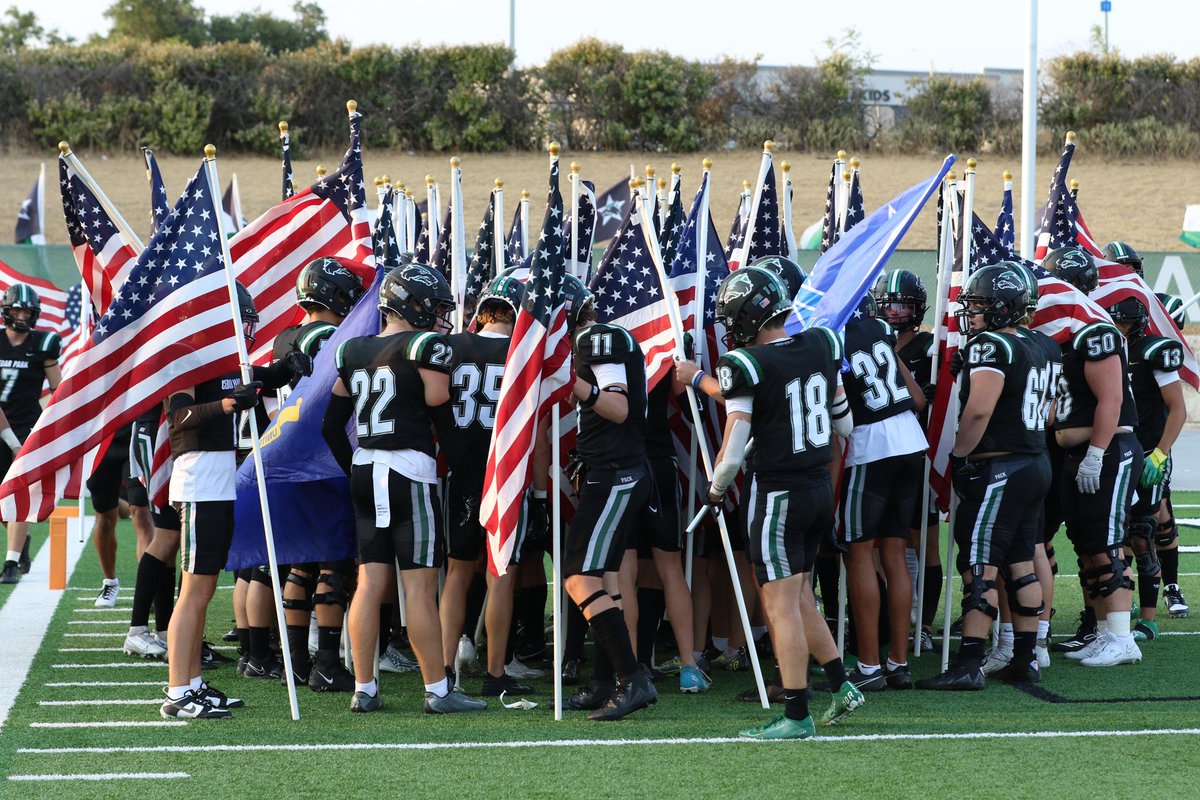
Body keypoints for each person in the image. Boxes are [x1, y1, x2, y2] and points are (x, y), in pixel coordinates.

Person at [698, 267, 863, 738]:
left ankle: (795, 715)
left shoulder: (745, 364)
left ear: (749, 316)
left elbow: (732, 450)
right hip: (816, 488)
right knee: (798, 595)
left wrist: (715, 489)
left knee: (779, 605)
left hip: (778, 494)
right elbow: (844, 423)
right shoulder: (821, 343)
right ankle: (841, 684)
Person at [323, 262, 486, 714]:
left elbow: (331, 425)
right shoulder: (424, 346)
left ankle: (365, 688)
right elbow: (443, 417)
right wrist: (468, 473)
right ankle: (437, 689)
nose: (436, 314)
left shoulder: (352, 348)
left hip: (364, 468)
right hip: (409, 471)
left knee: (369, 581)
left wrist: (352, 466)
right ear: (406, 303)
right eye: (429, 304)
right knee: (418, 586)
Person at [160, 283, 311, 719]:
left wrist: (285, 369)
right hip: (198, 477)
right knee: (194, 589)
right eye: (238, 319)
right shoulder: (187, 355)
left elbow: (255, 378)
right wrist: (227, 405)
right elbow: (178, 415)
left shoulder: (224, 359)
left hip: (218, 477)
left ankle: (190, 682)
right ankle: (177, 692)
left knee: (204, 588)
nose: (244, 329)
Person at [917, 263, 1051, 689]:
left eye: (980, 305)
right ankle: (1026, 658)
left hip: (1002, 465)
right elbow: (1050, 412)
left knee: (981, 565)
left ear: (1004, 308)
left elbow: (978, 410)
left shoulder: (992, 346)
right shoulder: (1043, 344)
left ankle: (969, 664)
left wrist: (958, 453)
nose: (971, 312)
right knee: (1021, 563)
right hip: (1035, 461)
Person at [558, 275, 659, 722]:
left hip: (615, 475)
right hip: (614, 471)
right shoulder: (592, 341)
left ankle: (631, 678)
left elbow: (617, 408)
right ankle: (605, 682)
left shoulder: (598, 339)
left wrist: (570, 382)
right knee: (607, 580)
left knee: (578, 579)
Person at [430, 270, 535, 697]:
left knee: (456, 572)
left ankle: (443, 670)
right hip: (505, 474)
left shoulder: (450, 347)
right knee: (501, 573)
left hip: (463, 471)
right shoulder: (523, 352)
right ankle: (495, 672)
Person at [266, 257, 365, 692]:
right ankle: (326, 662)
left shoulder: (284, 336)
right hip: (322, 457)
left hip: (289, 459)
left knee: (301, 565)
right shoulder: (328, 336)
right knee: (332, 565)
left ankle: (296, 659)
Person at [1046, 246, 1144, 668]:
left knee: (1106, 542)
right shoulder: (1068, 333)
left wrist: (1096, 453)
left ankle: (1123, 637)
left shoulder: (1095, 330)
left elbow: (1112, 401)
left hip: (1106, 450)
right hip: (1081, 450)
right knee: (1087, 544)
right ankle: (1105, 631)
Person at [836, 294, 927, 691]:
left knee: (859, 554)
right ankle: (898, 663)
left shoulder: (828, 338)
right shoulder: (879, 330)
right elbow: (919, 399)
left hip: (871, 446)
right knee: (894, 552)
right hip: (910, 438)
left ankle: (870, 666)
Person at [1107, 296, 1186, 641]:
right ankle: (1125, 605)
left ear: (1136, 323)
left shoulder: (1152, 351)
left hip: (1148, 454)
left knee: (1143, 534)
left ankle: (1150, 619)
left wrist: (1160, 454)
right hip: (1118, 454)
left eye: (1121, 322)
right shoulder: (1107, 349)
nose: (1115, 328)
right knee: (1116, 536)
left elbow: (1178, 409)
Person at [874, 269, 941, 653]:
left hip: (918, 454)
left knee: (922, 543)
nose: (896, 313)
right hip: (882, 453)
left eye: (903, 305)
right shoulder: (869, 344)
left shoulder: (930, 348)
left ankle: (925, 623)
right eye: (889, 305)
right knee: (883, 546)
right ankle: (896, 617)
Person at [0, 285, 62, 585]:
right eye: (17, 310)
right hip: (2, 425)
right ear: (6, 310)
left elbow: (58, 391)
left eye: (27, 311)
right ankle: (19, 544)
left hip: (25, 426)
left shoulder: (42, 344)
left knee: (17, 492)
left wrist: (52, 430)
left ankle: (10, 562)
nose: (22, 316)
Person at [86, 422, 154, 606]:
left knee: (141, 513)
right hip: (101, 438)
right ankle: (110, 582)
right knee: (105, 517)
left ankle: (148, 588)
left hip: (136, 434)